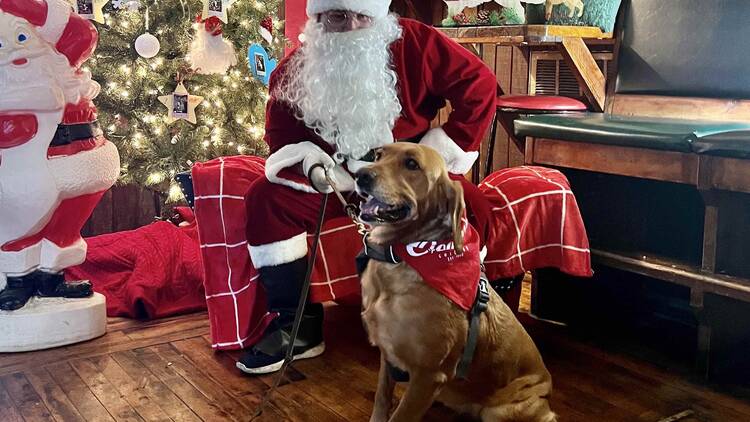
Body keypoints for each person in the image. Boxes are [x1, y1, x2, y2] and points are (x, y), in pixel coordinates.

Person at [237, 0, 499, 375]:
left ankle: (455, 315)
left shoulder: (416, 43)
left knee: (470, 206)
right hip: (337, 182)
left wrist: (437, 150)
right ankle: (296, 326)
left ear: (379, 16)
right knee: (265, 201)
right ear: (318, 20)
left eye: (363, 16)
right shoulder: (292, 71)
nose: (352, 28)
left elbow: (480, 85)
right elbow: (281, 138)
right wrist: (314, 168)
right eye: (339, 16)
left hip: (406, 178)